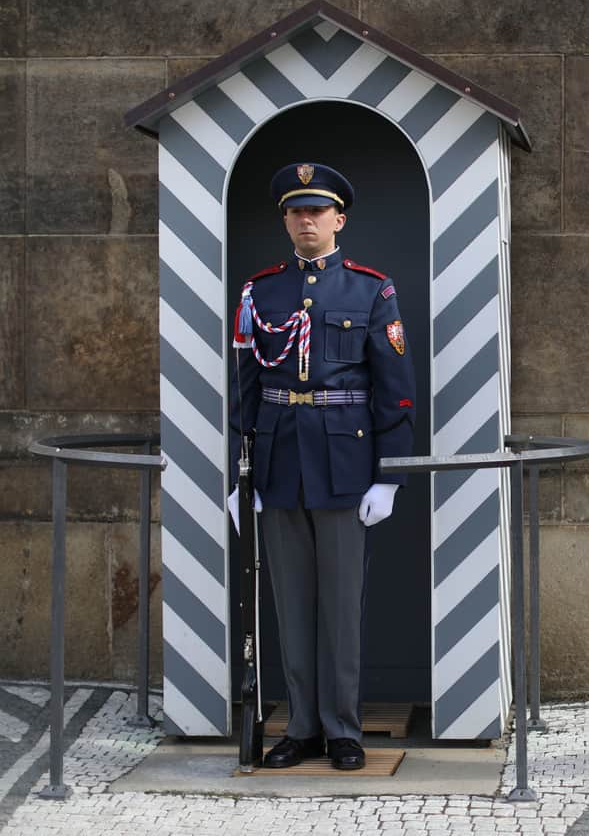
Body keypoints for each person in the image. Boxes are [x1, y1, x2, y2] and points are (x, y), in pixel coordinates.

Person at [228, 161, 416, 770]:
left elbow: (396, 389)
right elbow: (246, 390)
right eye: (295, 211)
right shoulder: (261, 291)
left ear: (339, 219)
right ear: (284, 219)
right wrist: (243, 478)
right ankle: (301, 725)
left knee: (339, 603)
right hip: (281, 461)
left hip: (344, 462)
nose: (306, 220)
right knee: (291, 602)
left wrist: (389, 474)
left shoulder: (371, 289)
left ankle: (342, 728)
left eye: (317, 211)